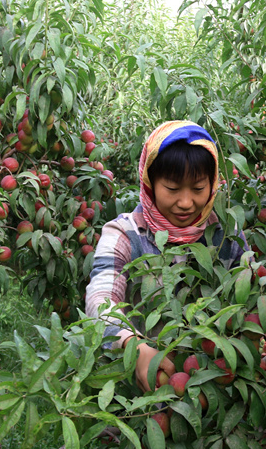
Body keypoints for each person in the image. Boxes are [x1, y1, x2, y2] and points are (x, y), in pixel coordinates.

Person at [85, 120, 248, 392]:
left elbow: (252, 291)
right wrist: (130, 344)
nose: (186, 203)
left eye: (198, 189)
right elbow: (100, 300)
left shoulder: (225, 236)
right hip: (141, 395)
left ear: (213, 184)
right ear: (150, 182)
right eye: (172, 189)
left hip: (215, 386)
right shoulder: (125, 233)